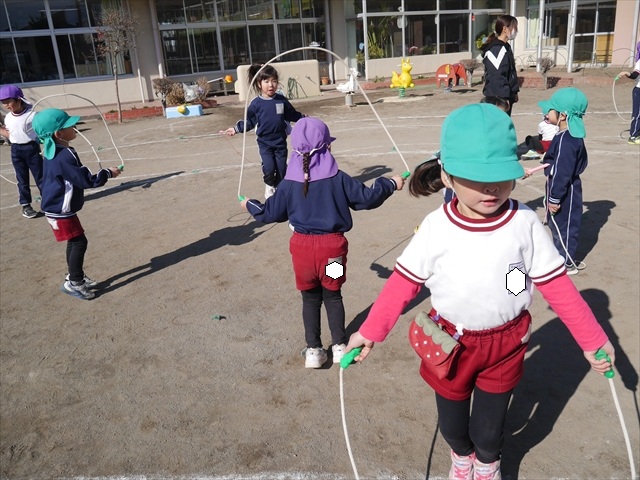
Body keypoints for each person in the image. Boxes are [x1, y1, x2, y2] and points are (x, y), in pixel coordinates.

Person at [344, 103, 615, 480]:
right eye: (476, 177)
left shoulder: (524, 222)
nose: (491, 187)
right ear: (447, 176)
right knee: (454, 428)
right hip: (449, 344)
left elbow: (556, 285)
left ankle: (488, 464)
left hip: (505, 343)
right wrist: (370, 331)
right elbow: (403, 283)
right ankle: (461, 458)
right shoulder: (436, 227)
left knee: (489, 433)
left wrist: (592, 339)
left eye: (501, 175)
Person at [240, 117, 405, 369]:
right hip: (333, 250)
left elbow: (270, 213)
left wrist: (250, 204)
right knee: (333, 294)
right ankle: (339, 345)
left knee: (310, 298)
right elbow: (367, 198)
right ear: (327, 146)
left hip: (302, 252)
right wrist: (390, 183)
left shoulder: (288, 184)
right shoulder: (338, 179)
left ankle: (314, 350)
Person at [32, 108, 122, 300]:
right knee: (79, 242)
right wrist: (107, 173)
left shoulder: (52, 152)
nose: (74, 127)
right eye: (69, 125)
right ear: (59, 134)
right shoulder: (63, 155)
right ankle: (74, 282)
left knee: (75, 241)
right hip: (60, 210)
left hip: (56, 207)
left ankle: (75, 276)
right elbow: (85, 180)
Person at [221, 64, 305, 199]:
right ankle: (269, 184)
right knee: (270, 169)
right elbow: (249, 121)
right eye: (266, 81)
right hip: (265, 143)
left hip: (280, 142)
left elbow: (292, 114)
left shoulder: (281, 100)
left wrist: (304, 118)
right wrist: (236, 129)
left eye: (274, 81)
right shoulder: (256, 104)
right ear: (259, 84)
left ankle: (279, 193)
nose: (271, 85)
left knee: (282, 170)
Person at [539, 87, 589, 275]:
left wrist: (554, 198)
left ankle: (566, 262)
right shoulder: (567, 137)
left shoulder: (567, 140)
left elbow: (562, 172)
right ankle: (560, 256)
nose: (546, 113)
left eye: (550, 110)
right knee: (557, 224)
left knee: (564, 226)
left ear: (562, 116)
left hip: (565, 190)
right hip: (562, 187)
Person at [0, 84, 43, 218]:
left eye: (8, 101)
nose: (6, 105)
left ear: (19, 100)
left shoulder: (32, 115)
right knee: (21, 179)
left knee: (40, 177)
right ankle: (26, 205)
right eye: (3, 102)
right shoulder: (8, 117)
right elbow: (11, 135)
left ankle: (48, 201)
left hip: (31, 148)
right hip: (16, 150)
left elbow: (42, 131)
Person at [480, 15, 520, 116]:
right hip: (497, 99)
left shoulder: (506, 47)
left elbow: (509, 73)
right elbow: (497, 76)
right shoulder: (497, 49)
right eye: (514, 27)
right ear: (505, 29)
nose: (516, 31)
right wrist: (503, 98)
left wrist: (514, 92)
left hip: (506, 96)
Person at [617, 41, 640, 145]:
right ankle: (633, 136)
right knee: (638, 114)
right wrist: (627, 73)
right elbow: (635, 75)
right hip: (639, 90)